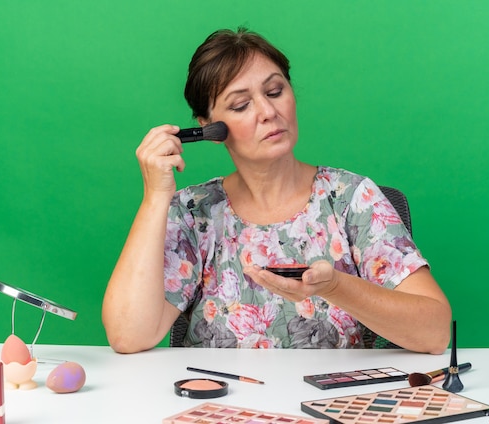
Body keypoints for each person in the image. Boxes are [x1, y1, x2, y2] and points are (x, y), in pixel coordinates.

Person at [102, 27, 451, 354]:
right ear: (209, 127)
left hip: (328, 408)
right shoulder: (194, 213)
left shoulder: (352, 199)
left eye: (275, 91)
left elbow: (435, 333)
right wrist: (155, 199)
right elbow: (127, 335)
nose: (269, 112)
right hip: (223, 408)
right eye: (241, 105)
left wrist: (334, 287)